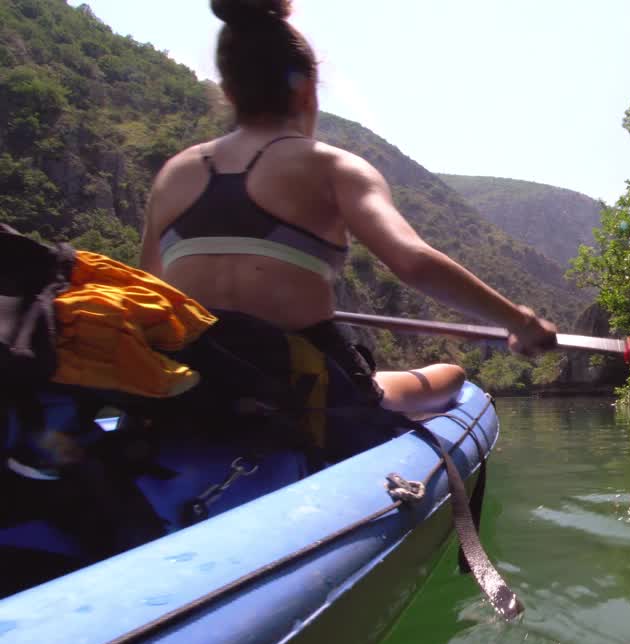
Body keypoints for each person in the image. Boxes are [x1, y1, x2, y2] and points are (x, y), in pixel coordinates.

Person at [138, 0, 558, 429]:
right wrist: (519, 321)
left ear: (228, 91)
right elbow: (412, 261)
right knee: (452, 377)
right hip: (295, 391)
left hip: (189, 387)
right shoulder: (334, 167)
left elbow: (148, 293)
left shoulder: (174, 174)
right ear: (306, 88)